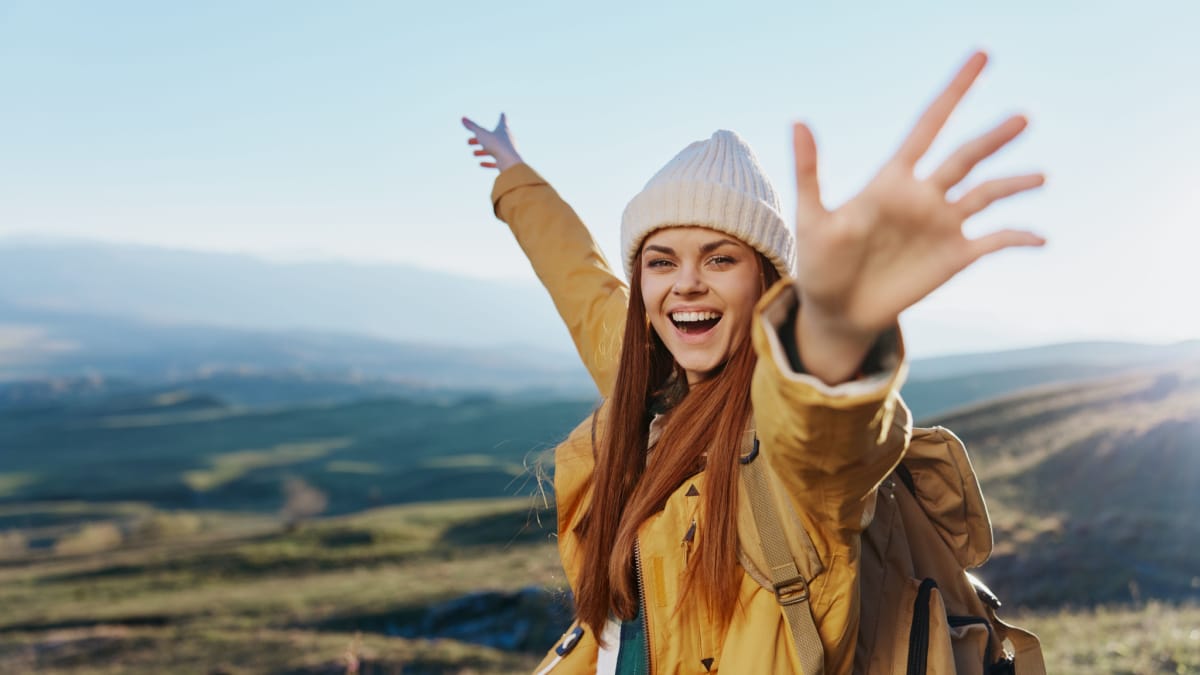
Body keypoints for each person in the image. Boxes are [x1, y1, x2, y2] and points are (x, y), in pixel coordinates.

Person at [462, 51, 1043, 675]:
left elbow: (825, 433)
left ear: (766, 282)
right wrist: (516, 175)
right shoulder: (654, 383)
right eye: (661, 261)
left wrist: (836, 327)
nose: (684, 284)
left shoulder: (786, 457)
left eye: (719, 259)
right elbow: (581, 282)